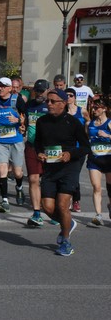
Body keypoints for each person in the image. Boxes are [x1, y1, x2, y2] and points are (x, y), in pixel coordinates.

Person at [35, 88, 90, 256]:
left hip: (69, 168)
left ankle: (66, 240)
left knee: (62, 205)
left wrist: (70, 154)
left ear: (64, 103)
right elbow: (37, 143)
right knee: (47, 206)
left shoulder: (73, 122)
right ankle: (68, 223)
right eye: (48, 101)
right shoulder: (42, 121)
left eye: (53, 101)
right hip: (50, 168)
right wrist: (39, 153)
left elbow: (86, 147)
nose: (49, 104)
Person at [0, 76, 26, 212]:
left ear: (10, 88)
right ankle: (4, 200)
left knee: (17, 172)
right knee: (2, 170)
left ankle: (19, 187)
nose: (0, 88)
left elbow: (24, 118)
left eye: (3, 86)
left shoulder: (17, 100)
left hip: (15, 140)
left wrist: (18, 120)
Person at [24, 79, 50, 227]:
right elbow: (26, 122)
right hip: (32, 146)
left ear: (47, 90)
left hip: (48, 148)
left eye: (41, 91)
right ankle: (36, 213)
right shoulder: (30, 105)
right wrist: (22, 126)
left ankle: (52, 210)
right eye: (37, 91)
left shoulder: (51, 105)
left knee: (48, 181)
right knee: (33, 179)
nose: (39, 94)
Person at [85, 97, 111, 227]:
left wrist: (107, 136)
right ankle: (98, 215)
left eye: (97, 107)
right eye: (94, 107)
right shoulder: (89, 124)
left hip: (109, 159)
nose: (94, 109)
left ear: (104, 109)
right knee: (96, 187)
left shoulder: (110, 123)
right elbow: (86, 139)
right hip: (94, 159)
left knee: (110, 188)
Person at [65, 87, 90, 213]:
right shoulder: (62, 112)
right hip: (66, 149)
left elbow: (89, 122)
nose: (68, 97)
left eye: (70, 95)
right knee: (67, 174)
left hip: (79, 149)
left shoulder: (82, 111)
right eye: (66, 95)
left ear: (74, 98)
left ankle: (75, 200)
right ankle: (68, 200)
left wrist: (86, 130)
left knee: (74, 174)